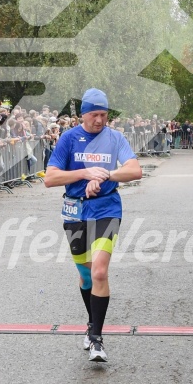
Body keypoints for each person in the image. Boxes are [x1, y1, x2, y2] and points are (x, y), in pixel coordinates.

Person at [44, 88, 142, 363]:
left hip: (107, 209)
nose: (100, 120)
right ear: (83, 114)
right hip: (74, 211)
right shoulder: (69, 138)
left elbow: (135, 170)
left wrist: (107, 174)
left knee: (99, 272)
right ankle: (92, 324)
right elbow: (50, 178)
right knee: (86, 276)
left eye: (104, 115)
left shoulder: (115, 138)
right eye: (95, 115)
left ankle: (97, 338)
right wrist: (85, 172)